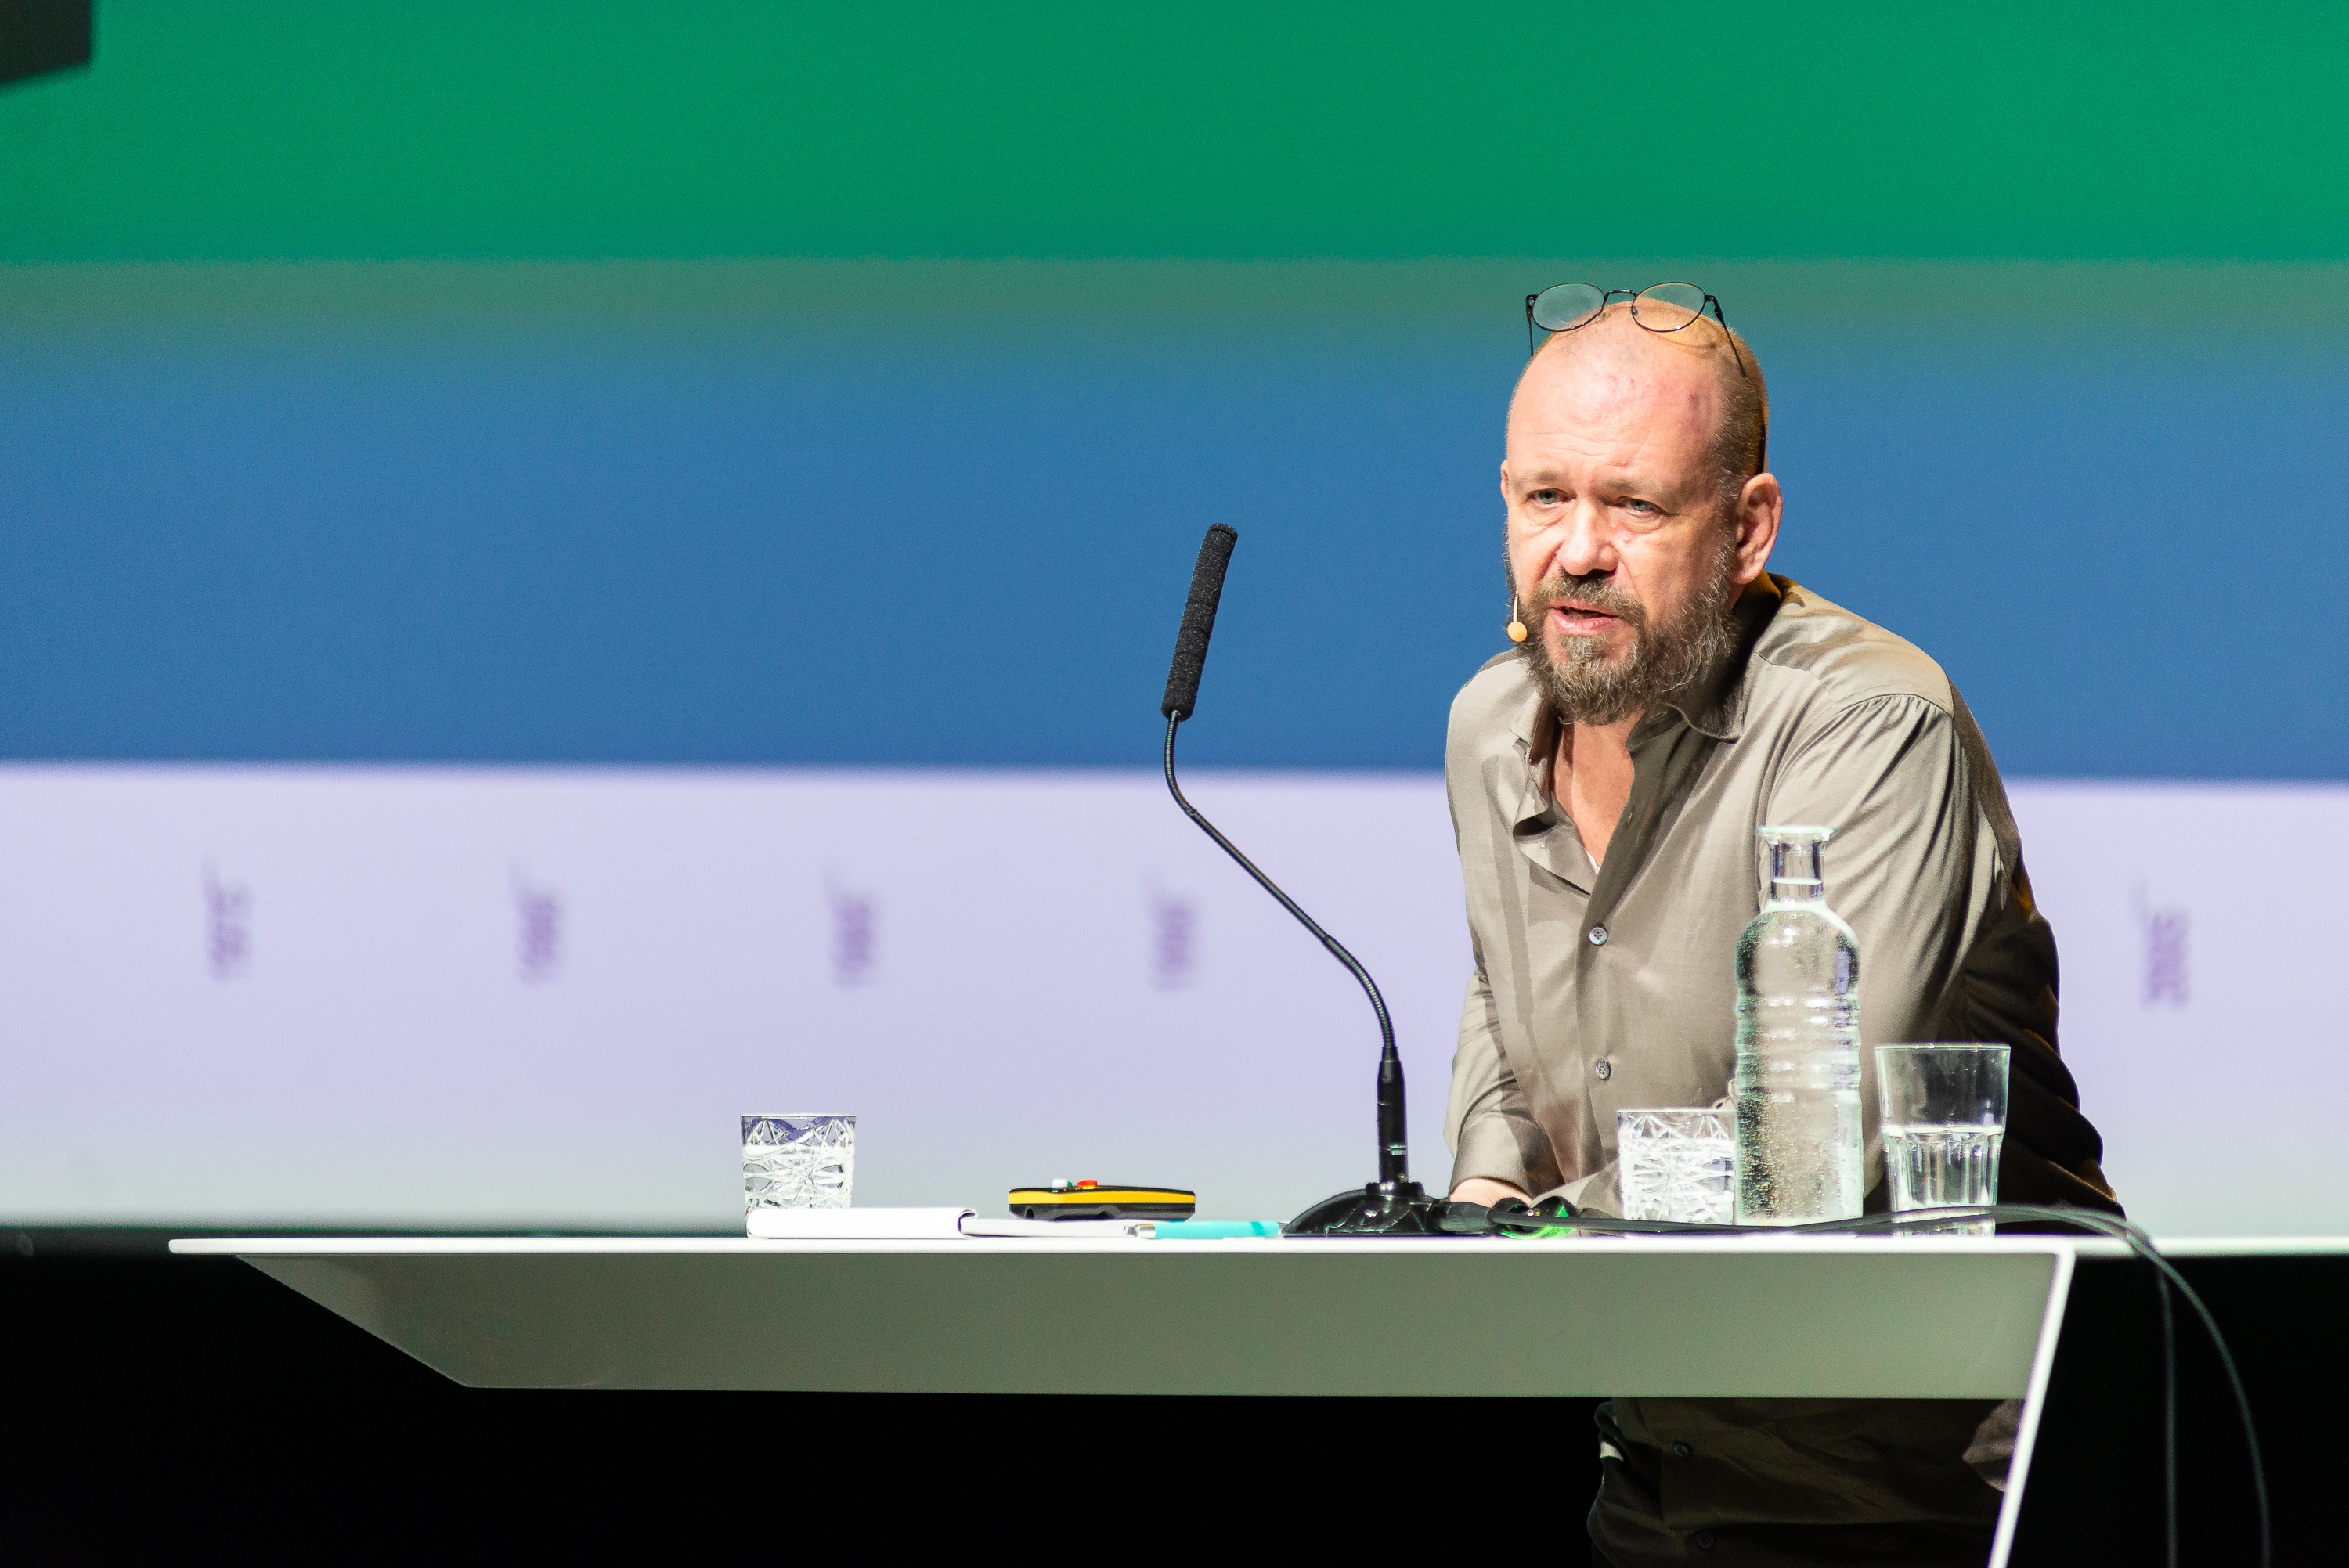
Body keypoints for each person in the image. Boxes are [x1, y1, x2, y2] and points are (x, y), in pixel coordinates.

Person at [1442, 287, 2120, 1567]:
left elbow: (1813, 1144)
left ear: (1748, 527)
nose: (1577, 549)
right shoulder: (1490, 728)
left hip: (1933, 1493)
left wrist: (1529, 1233)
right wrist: (1481, 1190)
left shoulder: (1869, 725)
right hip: (1659, 1468)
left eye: (1634, 507)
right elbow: (1510, 1005)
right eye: (1543, 498)